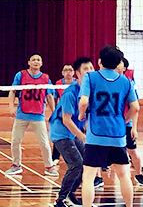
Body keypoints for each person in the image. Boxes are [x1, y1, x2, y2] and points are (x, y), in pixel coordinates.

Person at [79, 45, 140, 207]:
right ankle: (129, 206)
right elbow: (136, 107)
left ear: (100, 61)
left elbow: (84, 102)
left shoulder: (90, 78)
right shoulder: (126, 81)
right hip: (117, 136)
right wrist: (125, 120)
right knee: (124, 175)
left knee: (89, 177)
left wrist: (81, 115)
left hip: (96, 136)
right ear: (118, 62)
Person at [5, 52, 59, 177]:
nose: (36, 61)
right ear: (29, 62)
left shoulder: (45, 78)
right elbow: (12, 91)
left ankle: (49, 167)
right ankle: (16, 165)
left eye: (38, 60)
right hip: (22, 114)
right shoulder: (21, 75)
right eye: (33, 59)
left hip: (38, 115)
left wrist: (54, 112)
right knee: (15, 141)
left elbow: (50, 96)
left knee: (44, 143)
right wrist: (11, 106)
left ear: (41, 63)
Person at [50, 57, 94, 207]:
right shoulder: (70, 93)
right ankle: (60, 200)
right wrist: (82, 136)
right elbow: (66, 120)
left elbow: (87, 116)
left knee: (88, 162)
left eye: (91, 68)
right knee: (76, 164)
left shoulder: (89, 91)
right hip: (61, 133)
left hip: (72, 133)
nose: (89, 71)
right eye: (86, 69)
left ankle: (70, 192)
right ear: (78, 73)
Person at [116, 57, 143, 187]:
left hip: (126, 124)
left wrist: (134, 127)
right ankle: (98, 178)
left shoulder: (129, 84)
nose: (118, 66)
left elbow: (135, 108)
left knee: (133, 151)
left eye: (120, 64)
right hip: (112, 125)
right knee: (101, 151)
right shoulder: (108, 82)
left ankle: (139, 174)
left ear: (124, 68)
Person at [52, 64, 76, 165]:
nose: (68, 72)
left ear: (74, 72)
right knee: (59, 135)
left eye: (70, 70)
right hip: (62, 114)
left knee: (76, 135)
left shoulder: (77, 83)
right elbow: (54, 98)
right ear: (62, 73)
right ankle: (55, 158)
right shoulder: (58, 83)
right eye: (66, 70)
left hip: (75, 114)